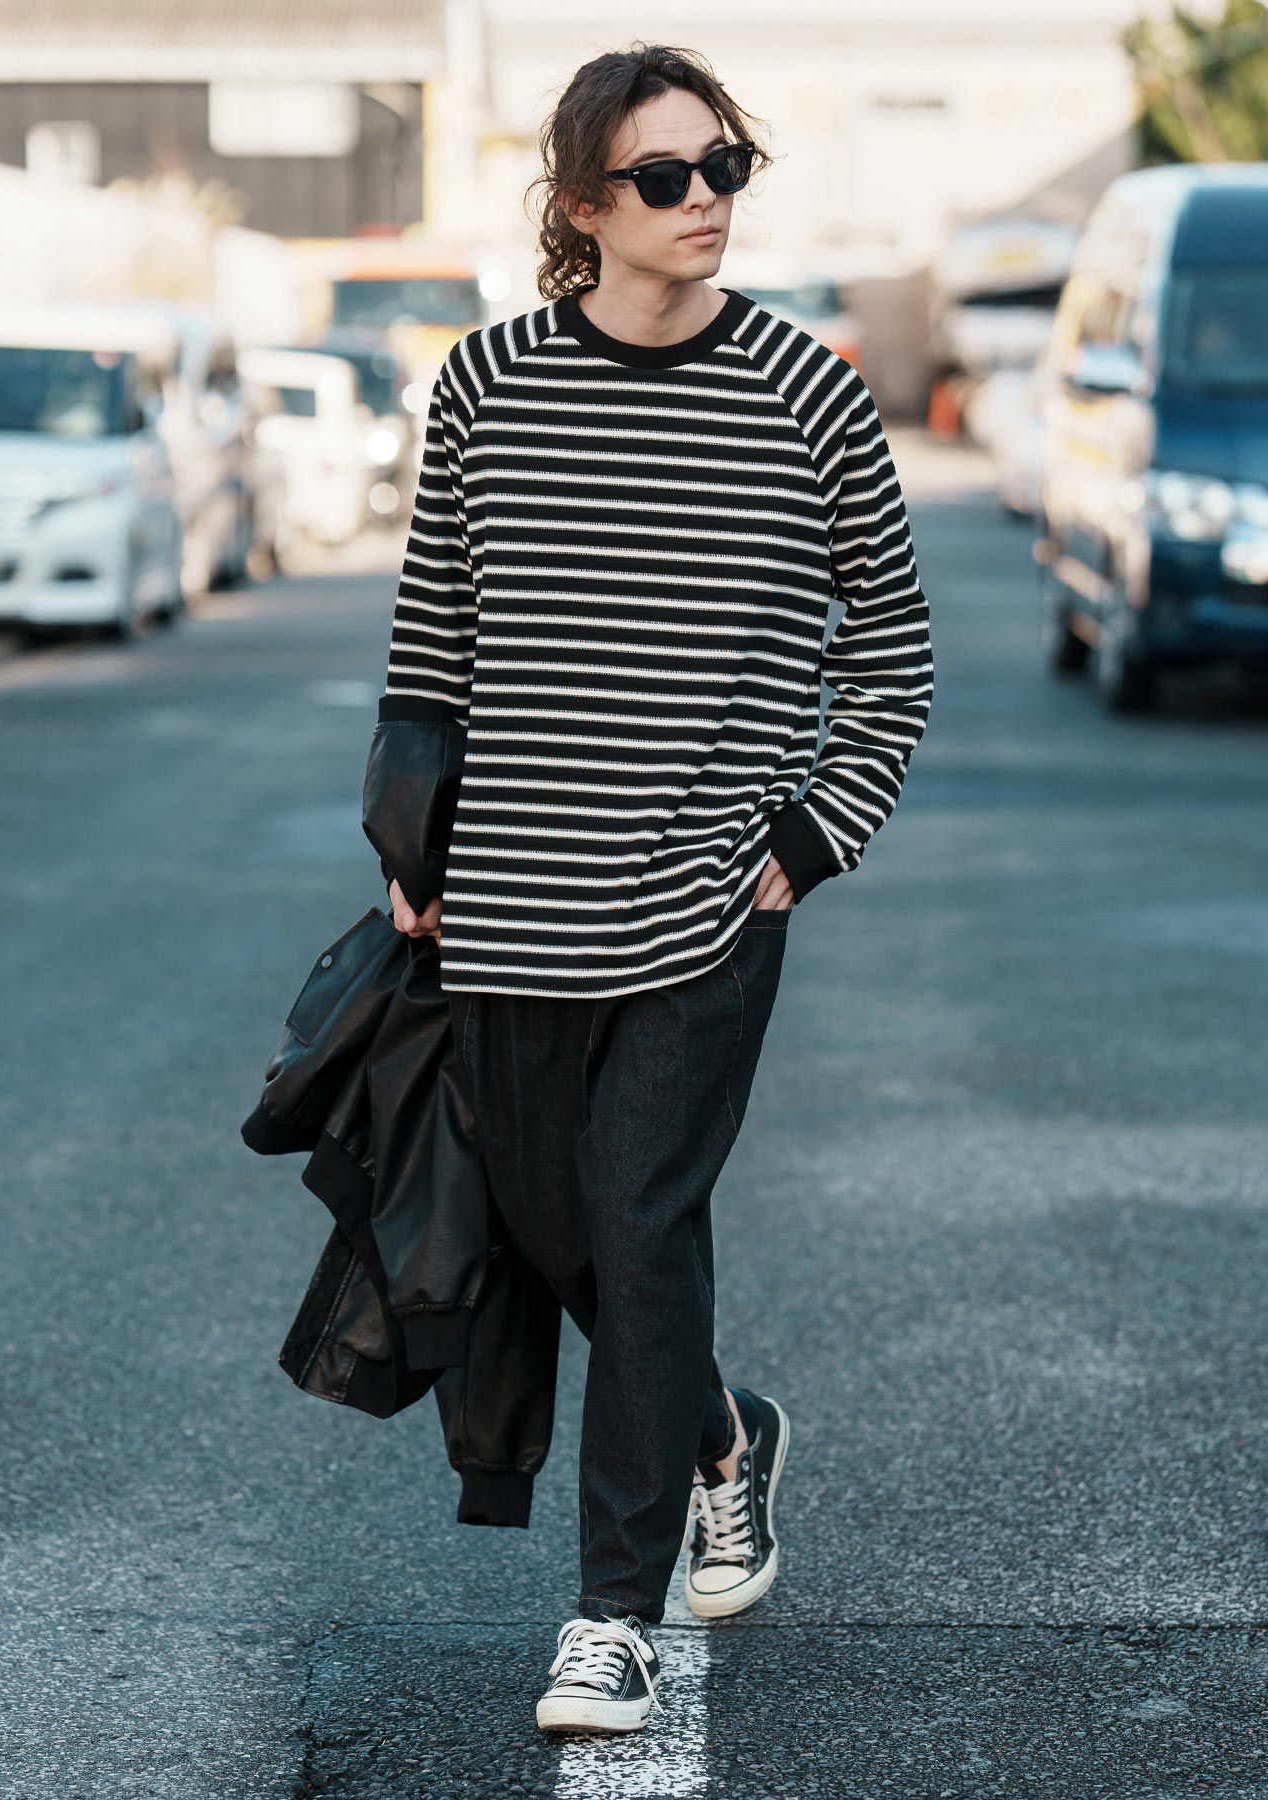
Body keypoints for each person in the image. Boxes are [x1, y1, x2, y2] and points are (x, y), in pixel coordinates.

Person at [378, 41, 934, 1736]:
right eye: (665, 177)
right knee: (558, 1238)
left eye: (724, 167)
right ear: (580, 203)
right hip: (510, 912)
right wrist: (411, 849)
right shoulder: (486, 387)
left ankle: (609, 1617)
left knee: (638, 1220)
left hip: (708, 909)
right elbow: (432, 650)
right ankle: (721, 1432)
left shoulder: (810, 395)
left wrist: (810, 840)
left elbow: (892, 654)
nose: (706, 202)